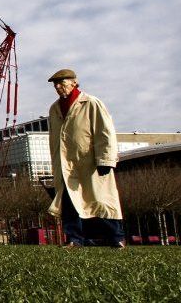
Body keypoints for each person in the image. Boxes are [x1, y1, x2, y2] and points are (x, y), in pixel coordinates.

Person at [46, 68, 125, 248]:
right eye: (55, 85)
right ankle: (75, 239)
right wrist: (55, 164)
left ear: (74, 82)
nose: (58, 87)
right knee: (69, 203)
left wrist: (106, 159)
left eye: (62, 83)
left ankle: (116, 238)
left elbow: (104, 132)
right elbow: (53, 138)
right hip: (66, 165)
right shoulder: (54, 108)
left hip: (89, 161)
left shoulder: (91, 103)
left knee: (100, 199)